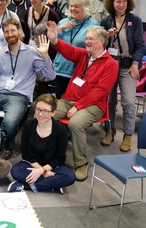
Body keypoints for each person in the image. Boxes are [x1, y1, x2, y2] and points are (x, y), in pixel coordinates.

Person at [46, 21, 118, 181]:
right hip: (69, 100)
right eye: (86, 39)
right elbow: (69, 50)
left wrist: (78, 107)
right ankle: (48, 156)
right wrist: (54, 40)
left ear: (101, 41)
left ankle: (81, 164)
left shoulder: (111, 64)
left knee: (75, 124)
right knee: (45, 114)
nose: (86, 42)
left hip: (93, 105)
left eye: (90, 39)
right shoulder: (84, 55)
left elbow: (101, 91)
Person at [0, 18, 55, 160]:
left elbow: (50, 75)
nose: (9, 34)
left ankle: (8, 145)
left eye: (13, 30)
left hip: (18, 96)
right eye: (6, 31)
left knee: (10, 122)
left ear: (19, 31)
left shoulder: (32, 53)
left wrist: (45, 55)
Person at [100, 0, 144, 152]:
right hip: (109, 65)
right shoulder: (106, 20)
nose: (121, 4)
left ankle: (127, 135)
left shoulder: (135, 20)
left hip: (127, 65)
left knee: (129, 102)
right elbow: (99, 44)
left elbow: (140, 46)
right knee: (109, 101)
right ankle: (109, 130)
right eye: (118, 1)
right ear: (112, 3)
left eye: (124, 1)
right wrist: (106, 36)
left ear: (128, 3)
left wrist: (135, 63)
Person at [8, 93, 75, 193]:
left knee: (70, 177)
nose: (40, 114)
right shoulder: (29, 124)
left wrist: (43, 169)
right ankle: (52, 185)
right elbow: (25, 153)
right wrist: (41, 170)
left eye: (45, 111)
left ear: (53, 113)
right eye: (38, 109)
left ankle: (26, 186)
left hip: (52, 166)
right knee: (15, 172)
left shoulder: (61, 130)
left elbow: (60, 157)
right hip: (32, 164)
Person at [52, 0, 99, 98]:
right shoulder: (62, 22)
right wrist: (60, 28)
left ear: (85, 7)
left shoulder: (93, 26)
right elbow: (52, 43)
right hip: (61, 69)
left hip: (79, 71)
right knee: (60, 103)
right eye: (71, 6)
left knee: (75, 103)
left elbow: (94, 50)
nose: (73, 9)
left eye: (76, 6)